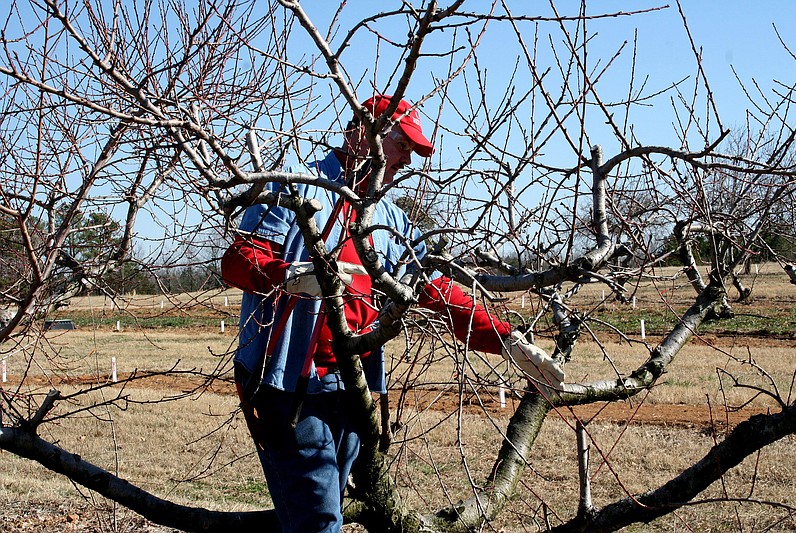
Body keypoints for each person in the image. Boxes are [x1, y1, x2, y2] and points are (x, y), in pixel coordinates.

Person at [221, 94, 564, 533]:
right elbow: (237, 260)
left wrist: (504, 339)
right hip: (287, 385)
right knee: (318, 520)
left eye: (409, 150)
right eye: (402, 144)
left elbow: (432, 288)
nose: (405, 159)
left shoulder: (390, 221)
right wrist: (288, 276)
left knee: (321, 505)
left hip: (351, 384)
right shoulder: (299, 186)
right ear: (365, 132)